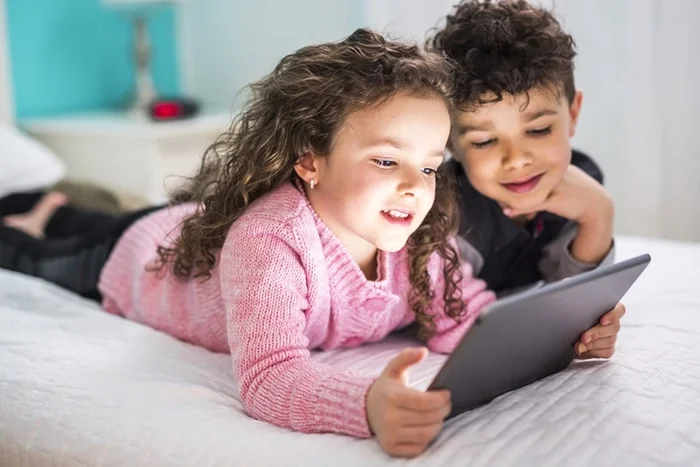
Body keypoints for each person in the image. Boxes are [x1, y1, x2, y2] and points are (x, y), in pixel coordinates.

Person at [0, 29, 622, 457]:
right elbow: (271, 377)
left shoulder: (420, 233)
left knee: (72, 210)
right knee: (31, 249)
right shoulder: (271, 242)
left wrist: (566, 336)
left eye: (431, 166)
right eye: (386, 161)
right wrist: (369, 405)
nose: (415, 187)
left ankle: (54, 204)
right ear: (310, 159)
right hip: (139, 258)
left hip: (183, 228)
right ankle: (41, 210)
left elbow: (467, 317)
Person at [429, 0, 624, 358]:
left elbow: (573, 299)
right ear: (448, 140)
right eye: (485, 141)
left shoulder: (579, 183)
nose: (517, 159)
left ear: (573, 114)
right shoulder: (445, 209)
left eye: (539, 129)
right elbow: (452, 321)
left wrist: (598, 213)